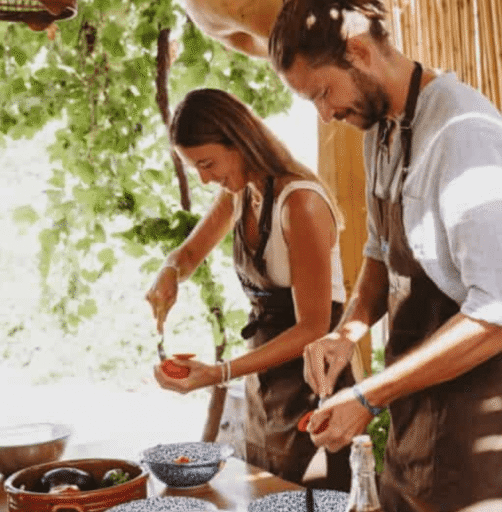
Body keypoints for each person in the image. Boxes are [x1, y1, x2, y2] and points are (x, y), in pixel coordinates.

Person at [268, 1, 502, 510]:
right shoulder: (381, 130)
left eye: (323, 92)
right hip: (415, 404)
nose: (326, 114)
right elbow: (380, 254)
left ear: (358, 51)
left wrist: (368, 396)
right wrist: (348, 332)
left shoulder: (464, 132)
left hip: (484, 409)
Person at [145, 88, 353, 490]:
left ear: (239, 142)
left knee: (307, 499)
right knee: (263, 491)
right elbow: (187, 256)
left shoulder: (301, 204)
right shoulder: (240, 194)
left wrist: (218, 373)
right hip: (265, 378)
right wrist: (168, 271)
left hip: (316, 383)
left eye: (208, 164)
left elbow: (314, 327)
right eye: (196, 169)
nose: (206, 179)